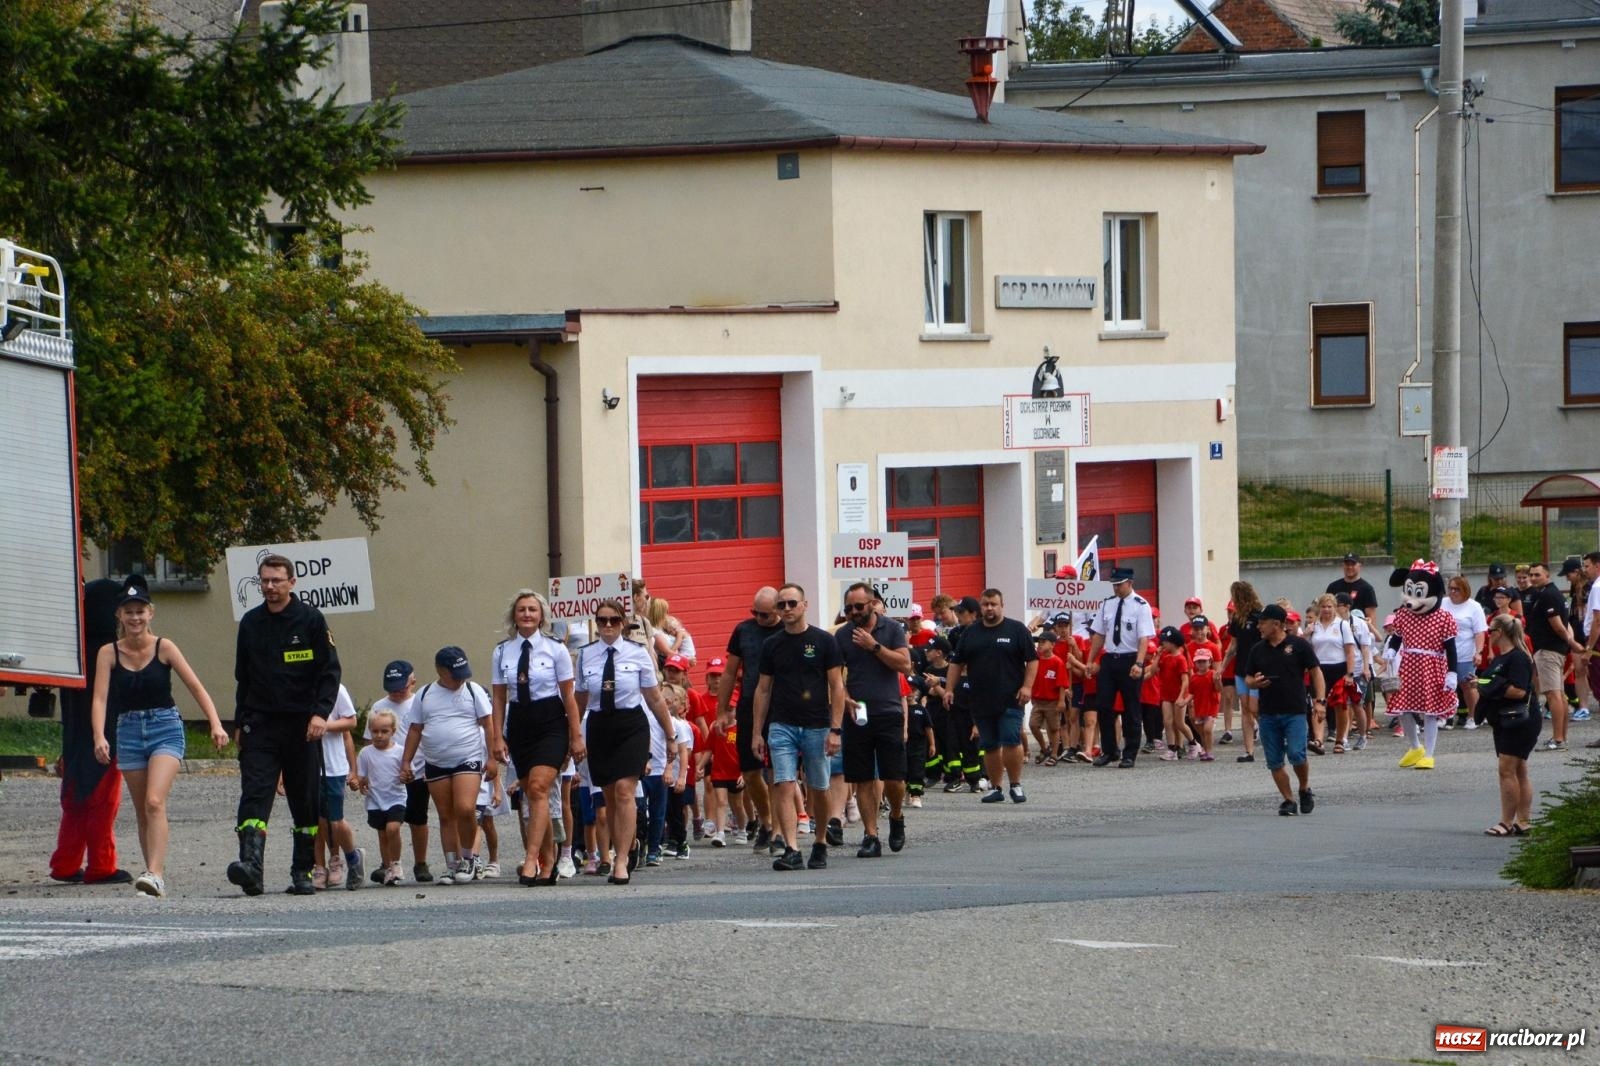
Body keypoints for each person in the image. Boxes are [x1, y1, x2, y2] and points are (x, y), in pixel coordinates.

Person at [88, 581, 227, 897]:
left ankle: (155, 874)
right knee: (142, 811)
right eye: (129, 612)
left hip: (165, 727)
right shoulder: (108, 652)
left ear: (150, 613)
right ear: (119, 615)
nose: (135, 618)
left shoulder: (165, 647)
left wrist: (216, 723)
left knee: (154, 801)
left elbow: (195, 686)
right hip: (128, 731)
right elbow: (99, 699)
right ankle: (151, 872)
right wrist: (99, 736)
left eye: (140, 611)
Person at [227, 553, 342, 897]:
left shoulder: (310, 620)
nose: (270, 586)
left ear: (292, 582)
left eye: (276, 580)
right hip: (260, 724)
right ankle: (251, 867)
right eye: (265, 580)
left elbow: (329, 672)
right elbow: (243, 677)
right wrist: (239, 721)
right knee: (255, 794)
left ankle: (302, 871)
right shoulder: (251, 622)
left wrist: (320, 713)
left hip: (301, 726)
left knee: (305, 799)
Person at [488, 590, 584, 887]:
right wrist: (497, 737)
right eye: (522, 610)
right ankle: (548, 861)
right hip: (520, 723)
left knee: (540, 787)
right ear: (514, 616)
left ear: (541, 615)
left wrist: (576, 735)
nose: (527, 614)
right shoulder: (502, 651)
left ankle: (531, 859)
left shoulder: (555, 649)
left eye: (532, 609)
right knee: (531, 794)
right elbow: (499, 698)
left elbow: (569, 696)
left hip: (551, 721)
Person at [577, 598, 674, 885]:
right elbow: (579, 699)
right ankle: (623, 847)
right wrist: (573, 734)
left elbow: (654, 698)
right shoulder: (585, 655)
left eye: (614, 620)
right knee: (609, 796)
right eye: (602, 620)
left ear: (623, 623)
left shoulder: (637, 653)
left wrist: (670, 735)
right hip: (599, 725)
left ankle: (621, 860)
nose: (608, 625)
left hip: (630, 725)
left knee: (624, 791)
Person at [750, 583, 846, 870]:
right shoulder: (772, 645)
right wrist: (757, 732)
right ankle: (791, 848)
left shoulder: (824, 641)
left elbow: (836, 686)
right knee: (783, 783)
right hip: (782, 725)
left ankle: (820, 842)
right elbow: (763, 689)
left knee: (819, 786)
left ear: (805, 605)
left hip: (817, 724)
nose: (787, 609)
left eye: (792, 603)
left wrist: (836, 729)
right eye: (782, 605)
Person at [50, 576, 134, 886]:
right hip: (106, 736)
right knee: (103, 801)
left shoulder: (74, 653)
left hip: (74, 737)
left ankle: (65, 863)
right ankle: (102, 865)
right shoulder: (112, 652)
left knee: (75, 800)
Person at [401, 647, 494, 885]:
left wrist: (493, 758)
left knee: (465, 808)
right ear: (440, 671)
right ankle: (452, 864)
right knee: (445, 815)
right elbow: (415, 729)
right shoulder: (425, 694)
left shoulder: (473, 691)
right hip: (436, 761)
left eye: (463, 673)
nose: (460, 679)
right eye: (455, 674)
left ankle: (468, 858)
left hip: (467, 757)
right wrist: (406, 761)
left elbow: (488, 724)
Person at [835, 581, 913, 852]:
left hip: (888, 711)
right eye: (848, 608)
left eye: (858, 607)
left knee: (894, 778)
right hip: (858, 715)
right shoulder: (842, 635)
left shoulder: (891, 629)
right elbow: (834, 676)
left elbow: (905, 665)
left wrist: (874, 646)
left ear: (872, 604)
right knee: (864, 777)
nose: (853, 612)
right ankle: (870, 835)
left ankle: (896, 816)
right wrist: (844, 697)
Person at [947, 588, 1038, 800]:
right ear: (980, 607)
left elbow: (1032, 660)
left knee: (1011, 740)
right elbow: (956, 662)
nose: (989, 608)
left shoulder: (1016, 629)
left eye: (993, 604)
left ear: (1001, 605)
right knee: (989, 745)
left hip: (1011, 697)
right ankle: (996, 788)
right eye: (985, 604)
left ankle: (1015, 785)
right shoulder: (970, 632)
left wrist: (1027, 687)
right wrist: (949, 689)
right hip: (980, 699)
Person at [717, 587, 783, 850]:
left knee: (778, 771)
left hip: (780, 707)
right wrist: (722, 710)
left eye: (765, 614)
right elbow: (729, 672)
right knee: (750, 771)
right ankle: (766, 822)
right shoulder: (743, 630)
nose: (759, 618)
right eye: (755, 613)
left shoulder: (786, 630)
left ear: (778, 610)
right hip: (748, 705)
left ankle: (779, 831)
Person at [1243, 604, 1324, 816]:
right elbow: (1248, 678)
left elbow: (1316, 672)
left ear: (1277, 624)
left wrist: (1320, 701)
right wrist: (1254, 683)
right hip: (1268, 713)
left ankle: (1304, 788)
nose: (1259, 626)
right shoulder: (1257, 649)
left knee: (1297, 754)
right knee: (1274, 761)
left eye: (1263, 622)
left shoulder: (1298, 645)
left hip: (1294, 711)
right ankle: (1288, 800)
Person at [366, 661, 434, 882]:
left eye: (400, 687)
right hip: (386, 776)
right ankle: (388, 864)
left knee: (418, 819)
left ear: (412, 682)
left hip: (416, 770)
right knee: (385, 823)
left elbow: (428, 735)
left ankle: (420, 863)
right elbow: (368, 742)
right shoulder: (379, 706)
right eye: (391, 688)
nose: (395, 692)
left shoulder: (420, 703)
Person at [1476, 615, 1540, 836]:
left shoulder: (1518, 657)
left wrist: (1492, 685)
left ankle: (1506, 822)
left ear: (1500, 632)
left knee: (1506, 770)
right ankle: (1523, 821)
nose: (1488, 634)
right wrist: (1480, 683)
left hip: (1519, 719)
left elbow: (1519, 691)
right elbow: (1492, 682)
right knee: (1518, 769)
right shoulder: (1500, 658)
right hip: (1504, 719)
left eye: (1490, 630)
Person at [1086, 569, 1154, 768]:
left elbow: (1144, 638)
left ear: (1130, 583)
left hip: (1130, 658)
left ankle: (1130, 753)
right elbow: (1099, 634)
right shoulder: (1107, 603)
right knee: (1103, 706)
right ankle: (1110, 751)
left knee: (1131, 708)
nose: (1116, 588)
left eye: (1119, 584)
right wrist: (1091, 659)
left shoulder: (1140, 605)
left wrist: (1139, 663)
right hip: (1110, 659)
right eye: (1114, 585)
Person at [1522, 562, 1583, 752]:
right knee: (1559, 694)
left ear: (1547, 576)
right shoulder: (1551, 594)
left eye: (1537, 575)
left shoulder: (1548, 595)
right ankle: (1561, 737)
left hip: (1548, 650)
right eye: (1531, 575)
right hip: (1553, 650)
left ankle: (1557, 739)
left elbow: (1558, 625)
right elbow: (1565, 623)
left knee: (1552, 694)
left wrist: (1572, 643)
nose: (1533, 578)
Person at [312, 684, 362, 889]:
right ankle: (319, 866)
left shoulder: (335, 688)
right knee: (315, 821)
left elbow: (350, 722)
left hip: (332, 766)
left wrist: (325, 725)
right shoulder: (293, 684)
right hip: (306, 766)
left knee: (335, 821)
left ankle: (352, 858)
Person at [354, 706, 407, 886]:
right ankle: (387, 867)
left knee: (393, 829)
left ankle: (396, 863)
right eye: (375, 731)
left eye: (384, 731)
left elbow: (409, 773)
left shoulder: (400, 751)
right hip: (375, 801)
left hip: (396, 798)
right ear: (370, 731)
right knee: (383, 835)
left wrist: (406, 776)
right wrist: (360, 783)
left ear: (393, 731)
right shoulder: (365, 753)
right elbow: (361, 776)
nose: (379, 735)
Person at [1304, 594, 1355, 754]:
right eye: (1323, 607)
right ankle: (1319, 739)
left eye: (1329, 606)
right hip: (1319, 669)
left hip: (1339, 667)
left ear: (1334, 608)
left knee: (1340, 705)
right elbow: (1306, 648)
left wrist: (1350, 673)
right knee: (1318, 703)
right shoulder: (1314, 626)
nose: (1326, 610)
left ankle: (1340, 739)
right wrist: (1306, 634)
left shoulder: (1342, 625)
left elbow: (1349, 651)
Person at [1221, 582, 1265, 763]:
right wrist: (1222, 667)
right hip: (1241, 669)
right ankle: (1249, 750)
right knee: (1245, 707)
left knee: (1255, 708)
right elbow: (1233, 645)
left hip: (1257, 669)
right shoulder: (1237, 619)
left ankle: (1271, 736)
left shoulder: (1259, 616)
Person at [1442, 576, 1488, 732]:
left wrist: (1479, 652)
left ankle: (1473, 716)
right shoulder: (1443, 603)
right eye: (1451, 588)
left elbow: (1480, 632)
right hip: (1444, 653)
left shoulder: (1474, 607)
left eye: (1457, 589)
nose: (1453, 592)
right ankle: (1444, 715)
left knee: (1467, 685)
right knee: (1444, 686)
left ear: (1464, 590)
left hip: (1465, 652)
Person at [1326, 552, 1378, 624]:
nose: (1349, 567)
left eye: (1353, 564)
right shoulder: (1333, 587)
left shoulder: (1367, 589)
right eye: (1347, 564)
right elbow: (1325, 609)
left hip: (1358, 628)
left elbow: (1371, 616)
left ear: (1359, 566)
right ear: (1343, 566)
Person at [1582, 552, 1600, 748]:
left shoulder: (1597, 587)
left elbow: (1597, 620)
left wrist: (1589, 649)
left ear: (1597, 566)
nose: (1584, 570)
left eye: (1587, 566)